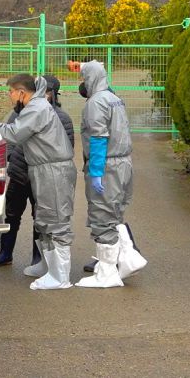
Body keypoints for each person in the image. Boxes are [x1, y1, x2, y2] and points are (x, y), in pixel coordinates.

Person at [0, 74, 77, 290]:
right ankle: (48, 266)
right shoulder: (37, 106)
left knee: (56, 221)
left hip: (53, 170)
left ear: (21, 92)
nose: (9, 96)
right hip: (43, 169)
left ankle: (60, 277)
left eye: (11, 92)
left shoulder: (37, 108)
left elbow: (14, 134)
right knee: (44, 219)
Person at [75, 60, 147, 288]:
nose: (82, 83)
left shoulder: (96, 102)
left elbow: (98, 137)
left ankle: (106, 273)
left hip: (107, 166)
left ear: (91, 78)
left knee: (102, 216)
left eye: (84, 78)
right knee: (115, 214)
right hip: (123, 164)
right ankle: (123, 261)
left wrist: (96, 171)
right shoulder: (114, 98)